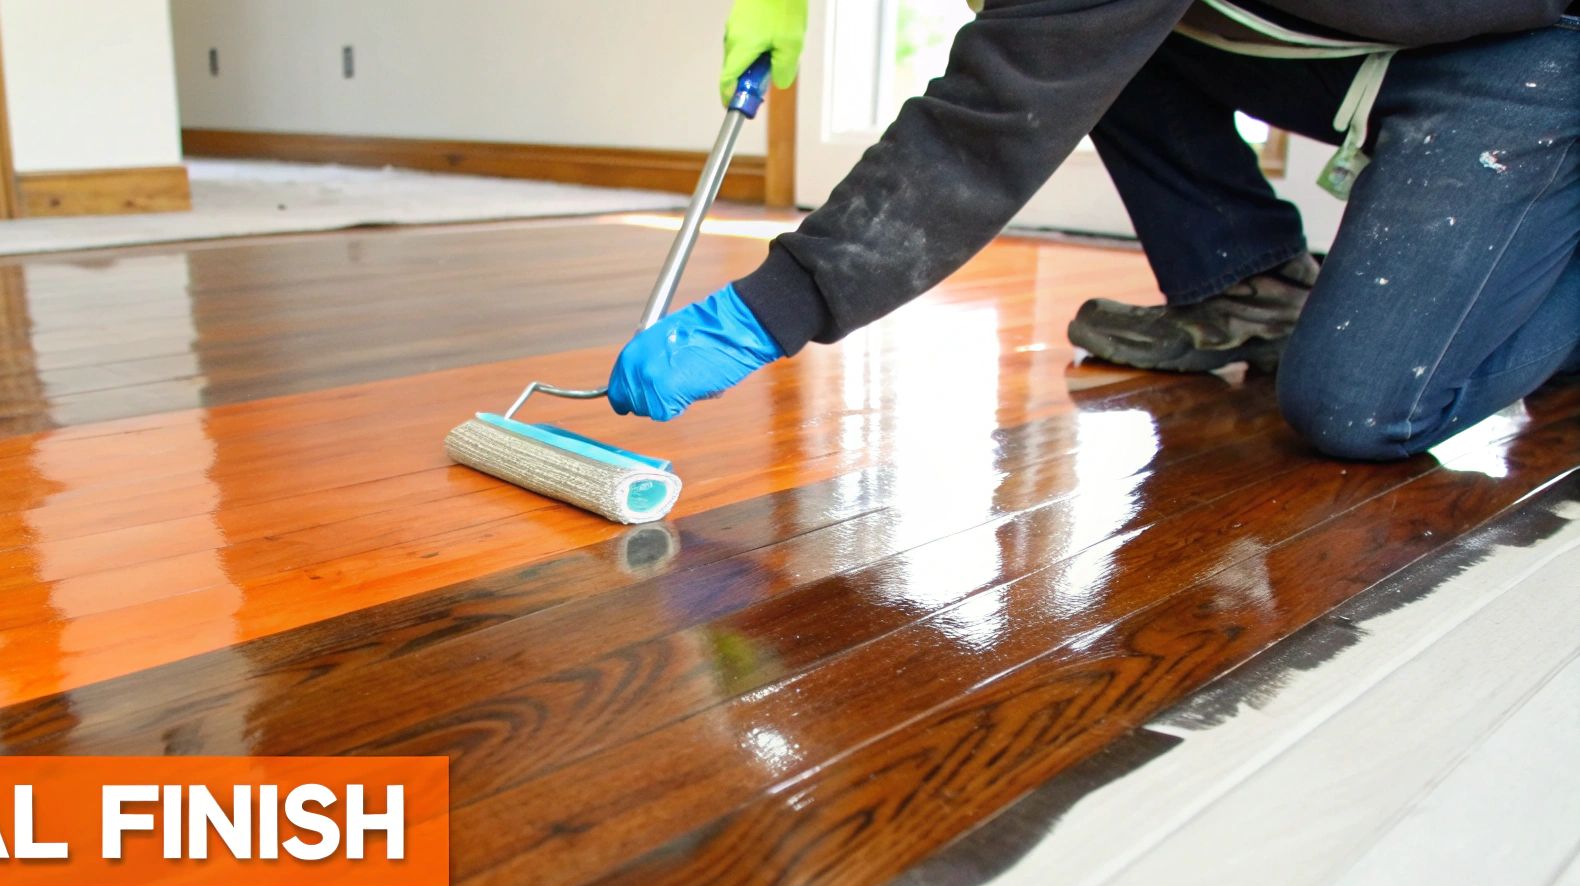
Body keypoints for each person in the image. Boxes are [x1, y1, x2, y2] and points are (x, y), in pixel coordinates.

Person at [607, 0, 1579, 461]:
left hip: (1526, 52)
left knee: (1358, 411)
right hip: (1363, 33)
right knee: (1093, 40)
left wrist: (771, 306)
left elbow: (993, 118)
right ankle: (1251, 282)